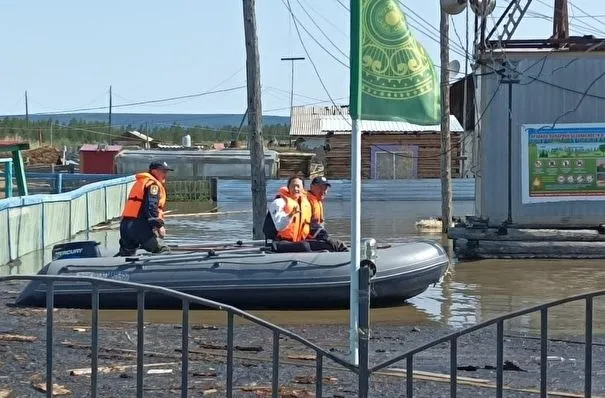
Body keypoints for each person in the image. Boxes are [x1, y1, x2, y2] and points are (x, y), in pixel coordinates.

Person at [117, 161, 173, 256]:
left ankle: (113, 270)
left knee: (126, 254)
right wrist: (159, 226)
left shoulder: (142, 181)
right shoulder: (153, 185)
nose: (166, 174)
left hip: (126, 225)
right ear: (154, 171)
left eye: (166, 172)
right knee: (163, 251)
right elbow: (151, 206)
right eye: (163, 171)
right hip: (138, 226)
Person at [262, 175, 313, 252]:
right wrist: (290, 215)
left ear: (302, 189)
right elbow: (279, 226)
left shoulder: (305, 204)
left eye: (298, 186)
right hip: (280, 242)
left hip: (297, 241)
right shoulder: (279, 202)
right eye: (293, 186)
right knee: (304, 246)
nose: (295, 189)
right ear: (288, 188)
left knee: (327, 244)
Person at [305, 176, 349, 252]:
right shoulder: (306, 202)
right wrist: (325, 237)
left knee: (336, 244)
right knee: (339, 246)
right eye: (320, 187)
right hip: (308, 240)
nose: (323, 191)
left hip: (316, 238)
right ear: (312, 187)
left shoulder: (316, 201)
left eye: (325, 188)